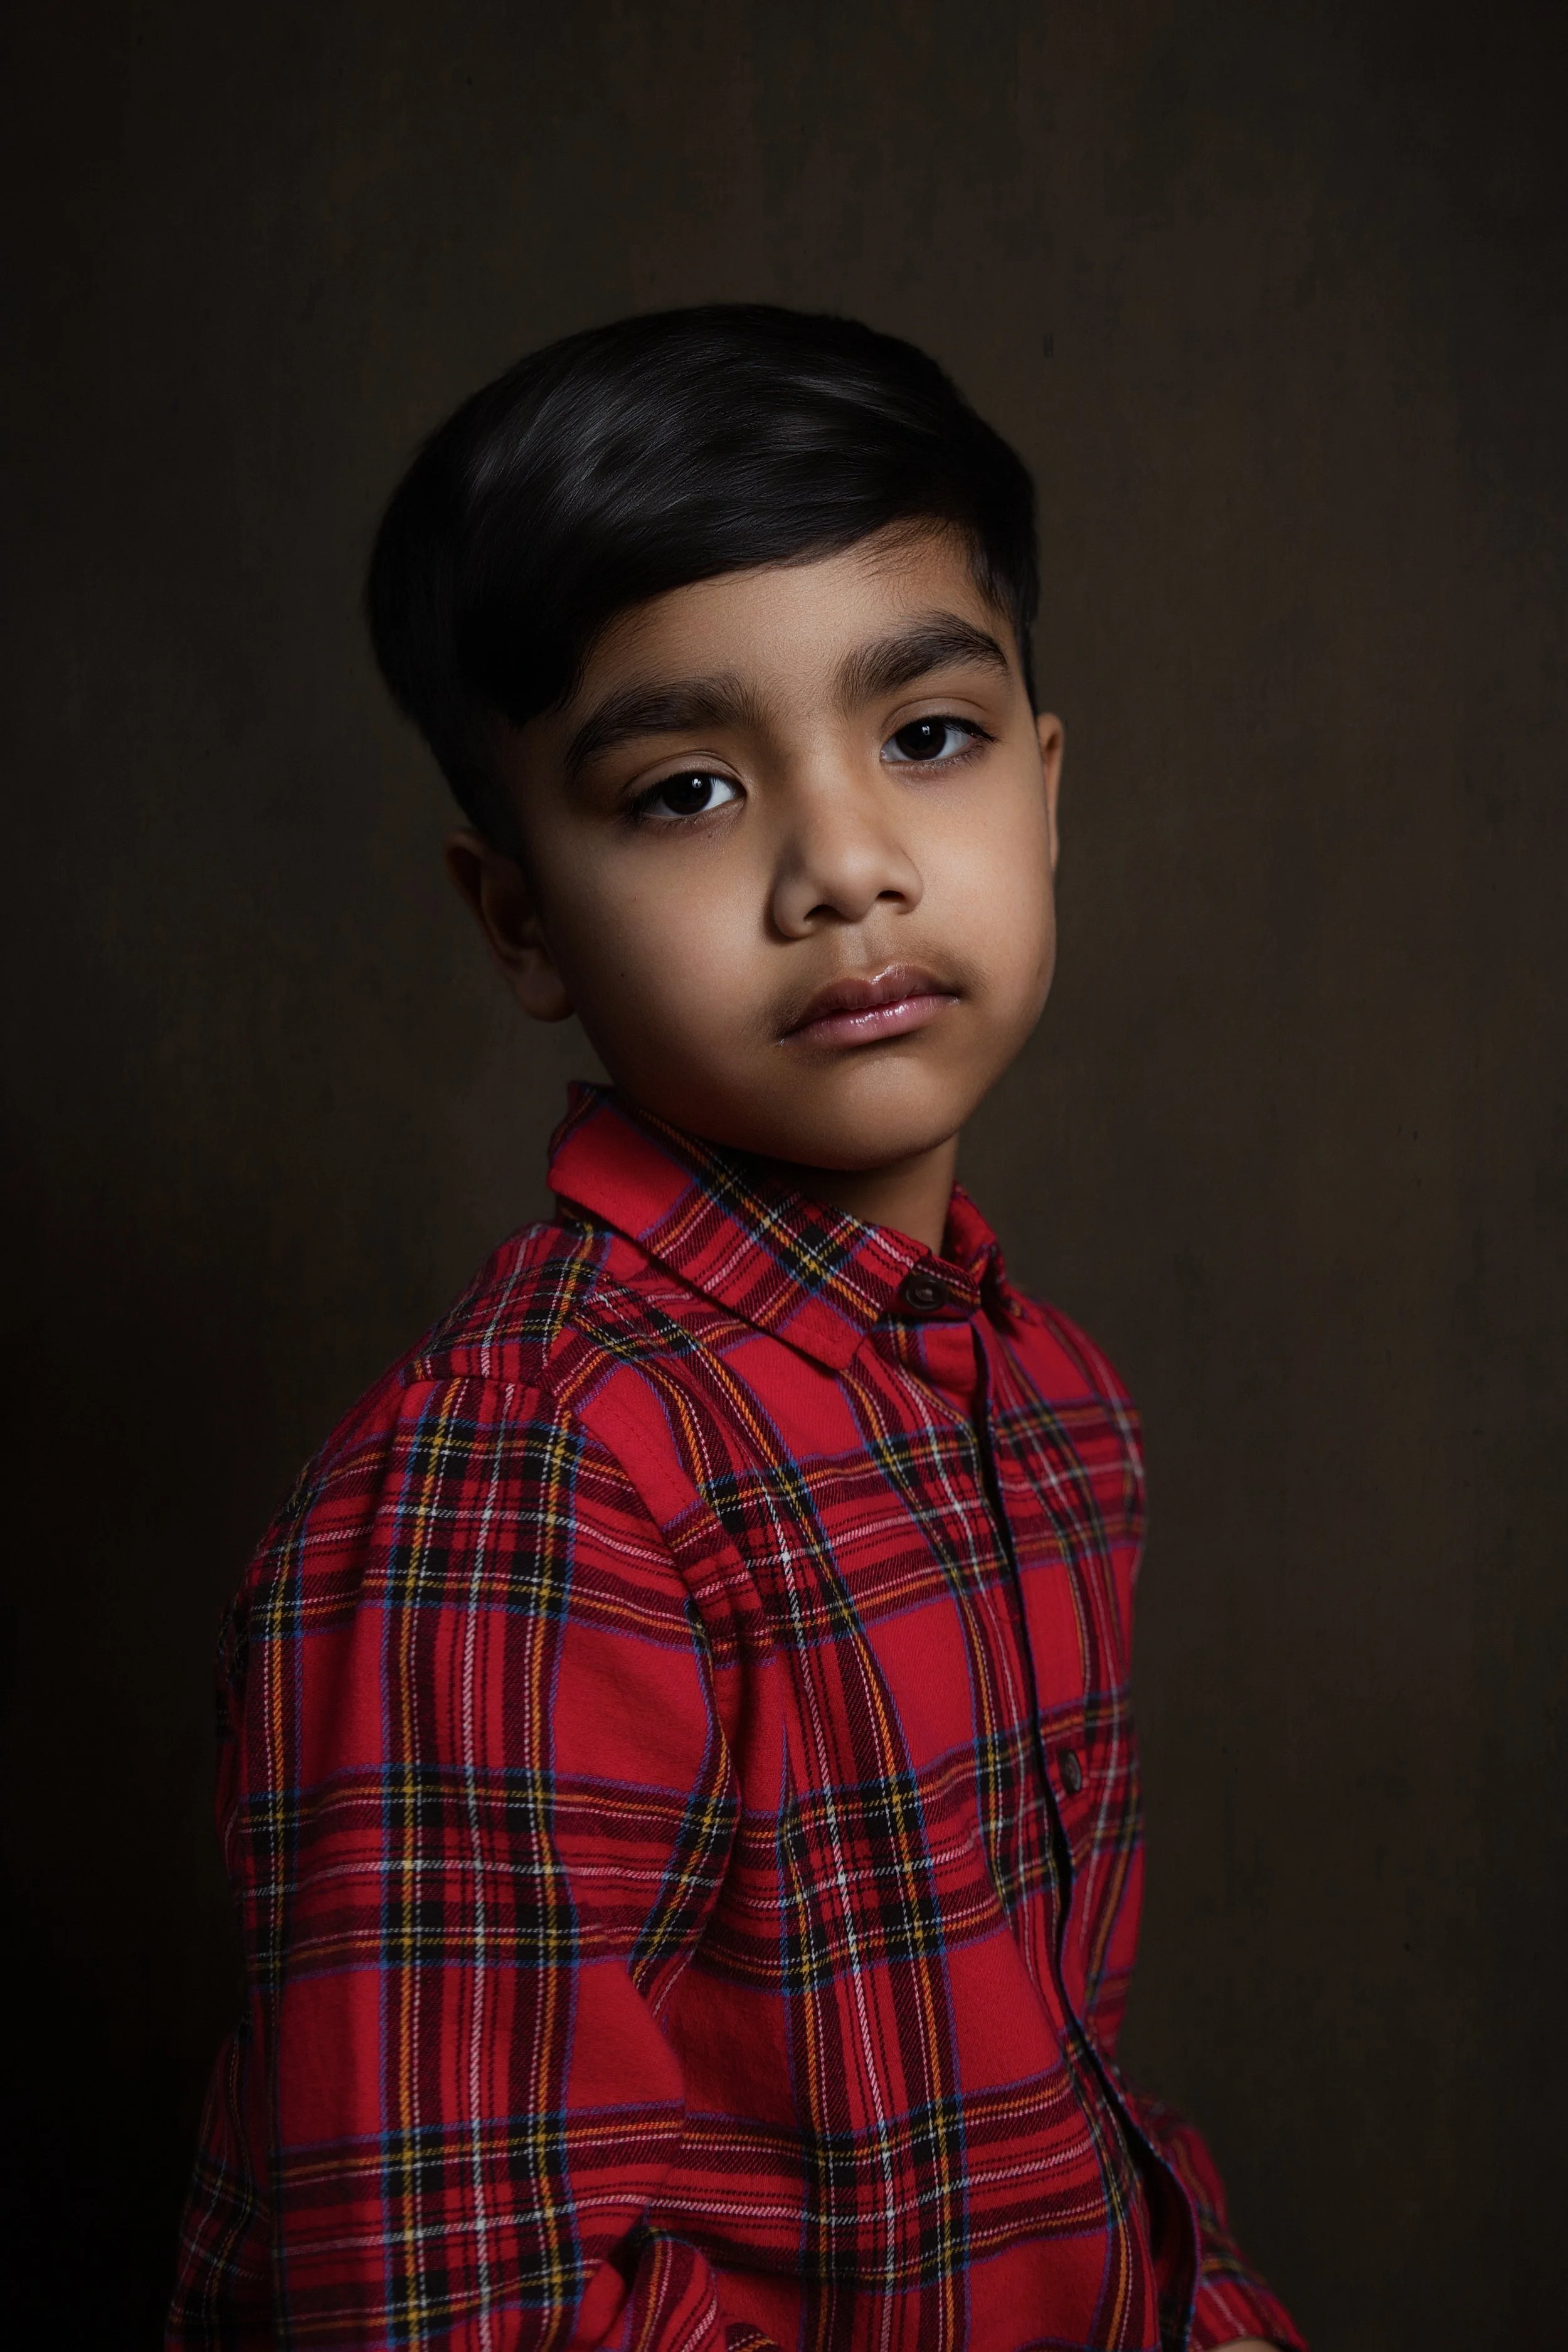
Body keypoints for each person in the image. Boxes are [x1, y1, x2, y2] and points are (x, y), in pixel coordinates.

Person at [168, 306, 1303, 2352]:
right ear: (519, 916)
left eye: (927, 737)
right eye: (686, 789)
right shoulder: (521, 1493)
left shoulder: (1048, 1408)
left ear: (1044, 793)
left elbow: (1045, 2129)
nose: (845, 868)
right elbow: (443, 2304)